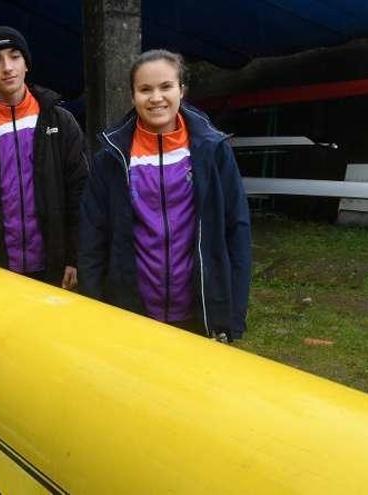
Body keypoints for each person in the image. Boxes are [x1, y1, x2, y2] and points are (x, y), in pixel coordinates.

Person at [78, 49, 252, 341]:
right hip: (132, 311)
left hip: (199, 311)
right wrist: (94, 307)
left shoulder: (213, 151)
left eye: (166, 87)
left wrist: (232, 314)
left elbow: (237, 229)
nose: (156, 97)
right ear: (133, 96)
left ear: (182, 90)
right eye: (145, 89)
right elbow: (92, 236)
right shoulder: (111, 157)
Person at [0, 26, 88, 289]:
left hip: (54, 270)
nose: (7, 67)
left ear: (27, 64)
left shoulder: (60, 121)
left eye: (14, 56)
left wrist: (75, 258)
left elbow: (81, 195)